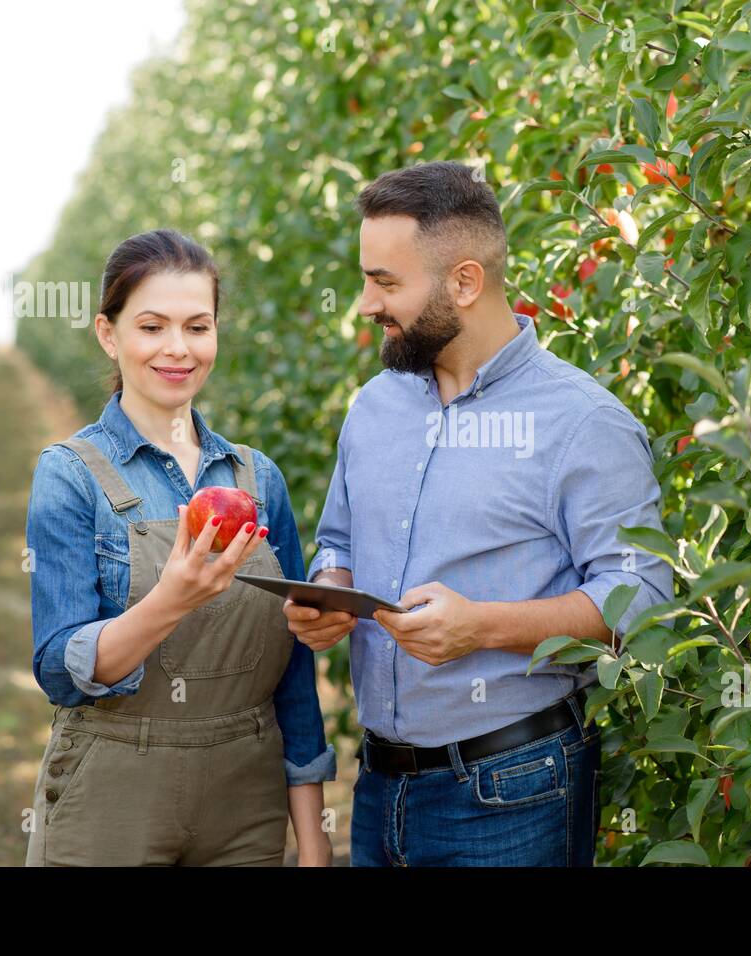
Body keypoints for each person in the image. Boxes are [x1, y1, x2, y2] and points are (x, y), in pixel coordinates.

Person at [284, 161, 673, 866]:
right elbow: (338, 537)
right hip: (378, 787)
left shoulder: (581, 423)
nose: (366, 304)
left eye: (385, 282)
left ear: (465, 282)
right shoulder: (375, 406)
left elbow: (642, 600)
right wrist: (330, 588)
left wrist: (481, 628)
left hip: (513, 789)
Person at [25, 228, 335, 866]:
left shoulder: (257, 479)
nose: (177, 349)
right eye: (151, 326)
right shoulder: (71, 474)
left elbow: (295, 674)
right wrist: (170, 600)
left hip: (245, 802)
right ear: (109, 335)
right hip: (113, 793)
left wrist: (313, 838)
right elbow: (59, 669)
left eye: (198, 327)